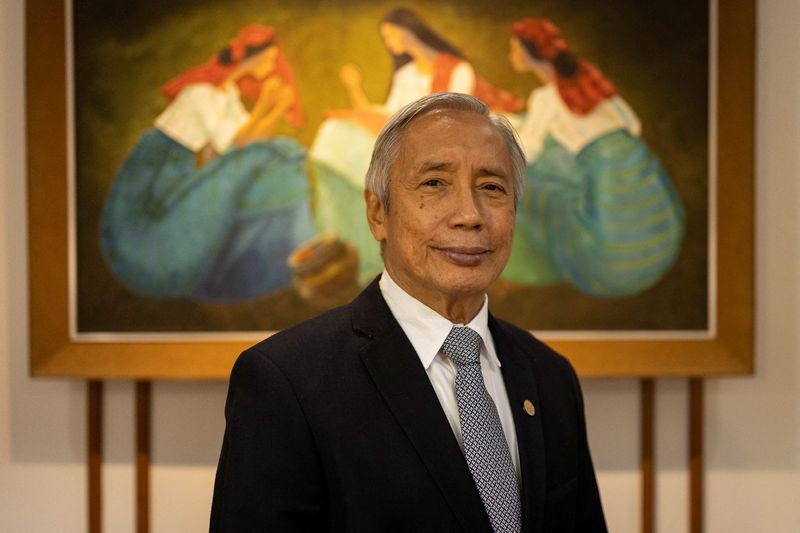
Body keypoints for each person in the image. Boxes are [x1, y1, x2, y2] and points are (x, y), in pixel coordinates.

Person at [210, 93, 607, 532]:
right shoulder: (286, 381)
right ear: (378, 212)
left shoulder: (550, 377)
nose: (469, 215)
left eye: (492, 187)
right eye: (435, 183)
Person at [100, 25, 314, 303]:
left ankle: (288, 246)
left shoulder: (227, 96)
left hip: (178, 181)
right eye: (270, 58)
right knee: (280, 153)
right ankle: (296, 242)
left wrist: (272, 108)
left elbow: (240, 148)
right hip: (149, 196)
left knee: (272, 158)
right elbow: (244, 146)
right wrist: (269, 105)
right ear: (251, 57)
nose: (273, 65)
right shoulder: (201, 93)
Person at [309, 8, 522, 285]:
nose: (388, 42)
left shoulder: (457, 70)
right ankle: (344, 239)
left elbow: (458, 121)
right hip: (400, 142)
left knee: (347, 143)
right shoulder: (407, 73)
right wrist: (355, 89)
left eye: (390, 34)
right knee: (333, 132)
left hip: (441, 149)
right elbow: (388, 114)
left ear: (408, 30)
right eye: (384, 37)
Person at [502, 18, 685, 297]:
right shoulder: (589, 81)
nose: (511, 56)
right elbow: (632, 124)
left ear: (529, 53)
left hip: (610, 201)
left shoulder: (547, 98)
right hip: (640, 169)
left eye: (514, 49)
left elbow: (530, 149)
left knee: (530, 182)